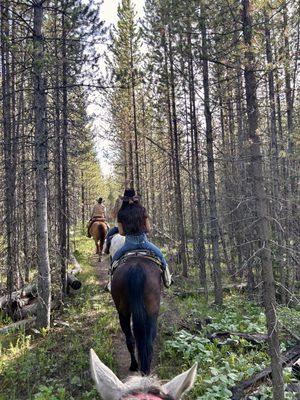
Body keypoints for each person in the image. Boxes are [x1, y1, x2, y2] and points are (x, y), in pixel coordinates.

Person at [111, 188, 172, 287]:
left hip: (128, 245)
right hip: (144, 243)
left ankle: (111, 282)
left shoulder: (121, 213)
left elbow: (121, 233)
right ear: (135, 198)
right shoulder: (142, 210)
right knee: (160, 255)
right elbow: (148, 229)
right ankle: (167, 279)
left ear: (124, 200)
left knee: (114, 260)